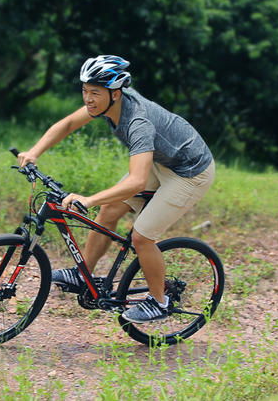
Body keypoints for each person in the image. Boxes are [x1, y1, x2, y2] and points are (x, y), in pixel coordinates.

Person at [17, 55, 215, 323]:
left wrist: (88, 200)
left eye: (95, 93)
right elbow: (68, 124)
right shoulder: (106, 104)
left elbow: (135, 181)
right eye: (85, 91)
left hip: (190, 173)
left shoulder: (138, 122)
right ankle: (83, 272)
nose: (88, 99)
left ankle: (159, 301)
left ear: (115, 93)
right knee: (110, 209)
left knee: (142, 237)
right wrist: (34, 152)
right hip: (162, 161)